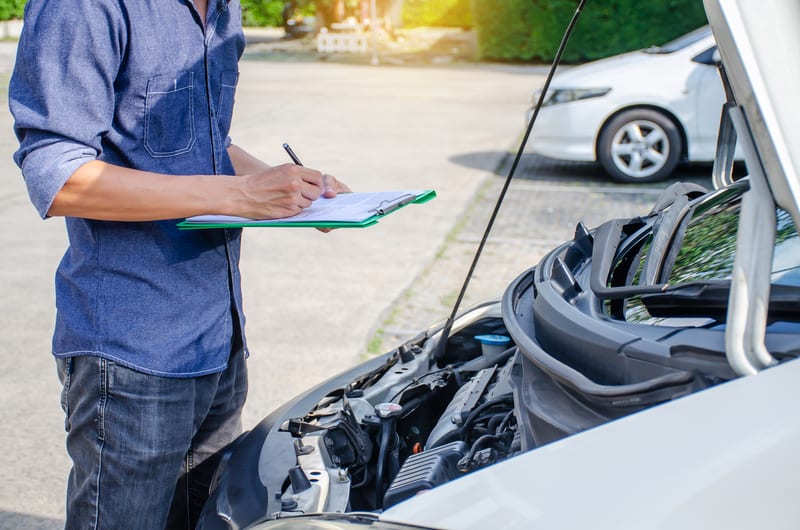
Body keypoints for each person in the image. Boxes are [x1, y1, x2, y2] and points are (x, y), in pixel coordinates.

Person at [8, 0, 349, 528]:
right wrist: (239, 195)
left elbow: (204, 143)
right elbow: (58, 173)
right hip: (131, 354)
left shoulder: (223, 10)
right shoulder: (83, 7)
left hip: (218, 336)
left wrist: (293, 194)